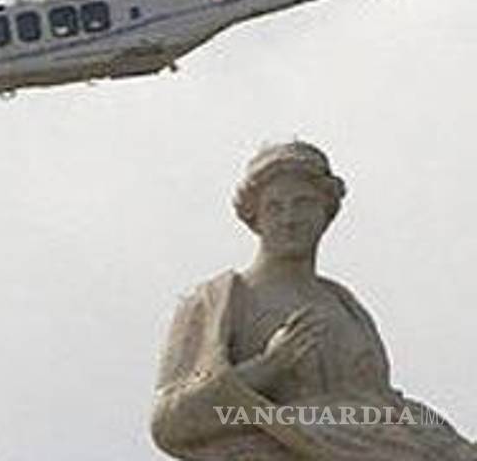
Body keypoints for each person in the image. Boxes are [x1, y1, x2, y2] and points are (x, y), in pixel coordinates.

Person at [150, 141, 477, 460]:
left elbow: (383, 406)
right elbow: (168, 423)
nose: (289, 218)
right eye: (274, 207)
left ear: (326, 212)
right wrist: (267, 368)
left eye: (303, 203)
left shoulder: (344, 304)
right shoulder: (216, 302)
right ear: (255, 217)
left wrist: (451, 445)